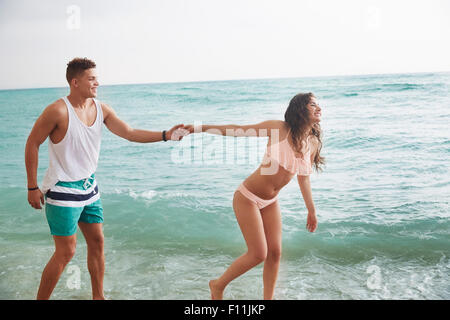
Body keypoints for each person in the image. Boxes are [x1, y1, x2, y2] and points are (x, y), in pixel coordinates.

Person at [25, 57, 185, 300]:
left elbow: (130, 133)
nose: (97, 83)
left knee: (98, 242)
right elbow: (32, 144)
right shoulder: (57, 110)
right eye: (92, 79)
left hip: (90, 187)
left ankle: (98, 297)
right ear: (75, 82)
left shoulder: (102, 109)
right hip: (62, 190)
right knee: (66, 252)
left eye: (96, 78)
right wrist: (32, 186)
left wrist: (166, 135)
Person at [184, 92, 325, 300]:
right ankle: (217, 285)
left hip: (270, 201)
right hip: (247, 197)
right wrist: (200, 128)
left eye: (318, 104)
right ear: (300, 109)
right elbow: (237, 131)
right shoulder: (279, 129)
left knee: (275, 253)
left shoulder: (311, 143)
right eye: (313, 104)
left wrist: (311, 211)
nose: (319, 108)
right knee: (259, 254)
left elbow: (303, 179)